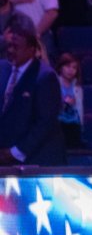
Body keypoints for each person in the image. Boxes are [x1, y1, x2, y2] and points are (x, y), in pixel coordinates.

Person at [0, 19, 65, 166]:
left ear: (31, 49)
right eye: (9, 45)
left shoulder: (45, 77)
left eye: (16, 47)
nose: (10, 50)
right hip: (5, 160)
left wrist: (15, 152)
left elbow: (45, 122)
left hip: (36, 160)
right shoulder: (3, 69)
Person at [56, 53, 84, 149]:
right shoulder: (54, 84)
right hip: (58, 127)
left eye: (74, 68)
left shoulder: (77, 88)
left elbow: (79, 109)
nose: (71, 70)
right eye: (67, 66)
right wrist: (63, 103)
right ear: (60, 67)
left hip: (74, 126)